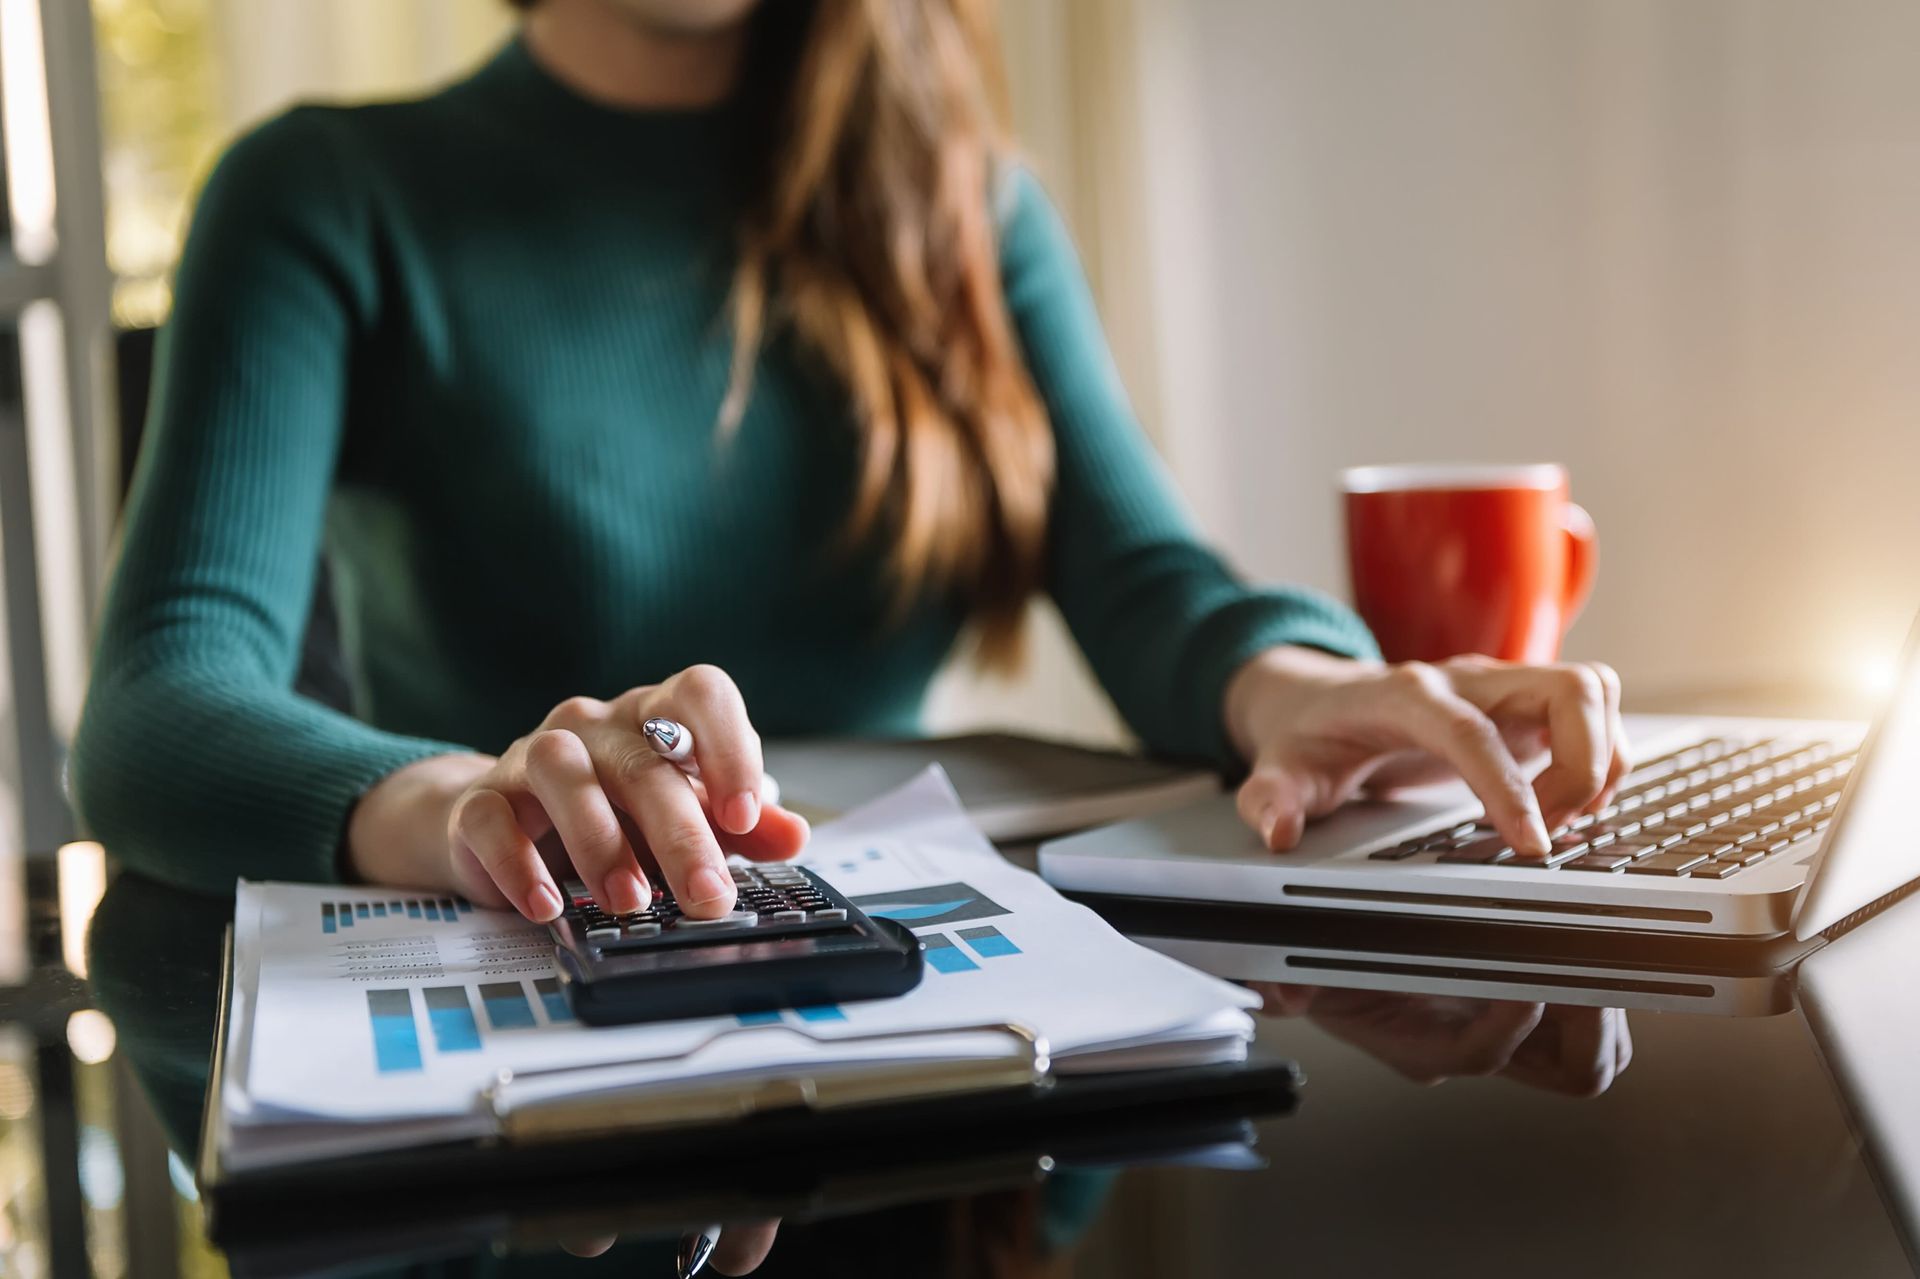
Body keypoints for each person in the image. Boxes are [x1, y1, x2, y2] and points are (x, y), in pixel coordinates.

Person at [72, 0, 1627, 924]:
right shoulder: (321, 198)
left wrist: (1295, 689)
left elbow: (1142, 575)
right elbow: (159, 708)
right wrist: (467, 804)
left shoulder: (964, 205)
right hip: (535, 970)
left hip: (930, 993)